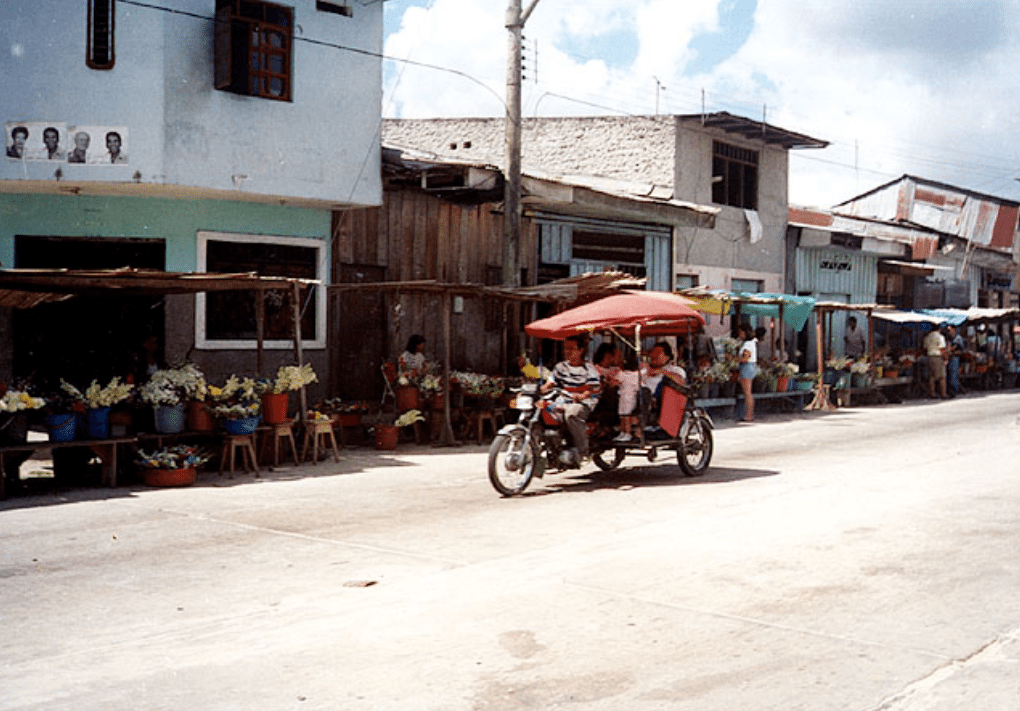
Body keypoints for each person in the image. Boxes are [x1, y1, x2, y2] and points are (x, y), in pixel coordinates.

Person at [544, 335, 600, 464]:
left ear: (580, 350)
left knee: (571, 414)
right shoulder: (560, 367)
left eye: (571, 348)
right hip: (562, 401)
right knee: (546, 409)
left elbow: (593, 389)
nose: (567, 352)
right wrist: (535, 390)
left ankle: (582, 451)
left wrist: (581, 396)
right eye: (565, 348)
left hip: (583, 404)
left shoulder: (589, 369)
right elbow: (550, 384)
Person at [738, 324, 758, 422]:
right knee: (748, 393)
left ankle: (749, 415)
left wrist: (732, 358)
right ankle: (749, 414)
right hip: (750, 367)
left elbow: (745, 358)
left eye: (741, 332)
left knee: (747, 393)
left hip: (746, 367)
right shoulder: (750, 343)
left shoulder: (748, 344)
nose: (739, 334)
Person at [923, 325, 947, 399]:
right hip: (938, 357)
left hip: (930, 357)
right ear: (939, 329)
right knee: (942, 377)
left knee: (931, 377)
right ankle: (943, 394)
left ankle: (932, 394)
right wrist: (945, 358)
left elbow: (925, 348)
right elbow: (942, 349)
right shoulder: (940, 337)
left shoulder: (927, 337)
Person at [946, 325, 964, 398]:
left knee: (953, 375)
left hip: (954, 358)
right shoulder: (949, 338)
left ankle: (954, 392)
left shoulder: (958, 338)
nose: (948, 332)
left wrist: (952, 352)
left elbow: (960, 350)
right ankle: (949, 391)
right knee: (949, 375)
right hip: (949, 358)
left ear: (953, 330)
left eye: (949, 330)